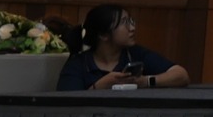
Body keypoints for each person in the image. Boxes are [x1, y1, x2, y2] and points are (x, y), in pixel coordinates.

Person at [52, 5, 191, 91]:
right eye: (125, 23)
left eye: (131, 21)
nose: (132, 28)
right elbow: (67, 106)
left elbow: (181, 75)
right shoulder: (78, 64)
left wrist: (146, 81)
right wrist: (99, 87)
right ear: (103, 35)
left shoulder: (136, 54)